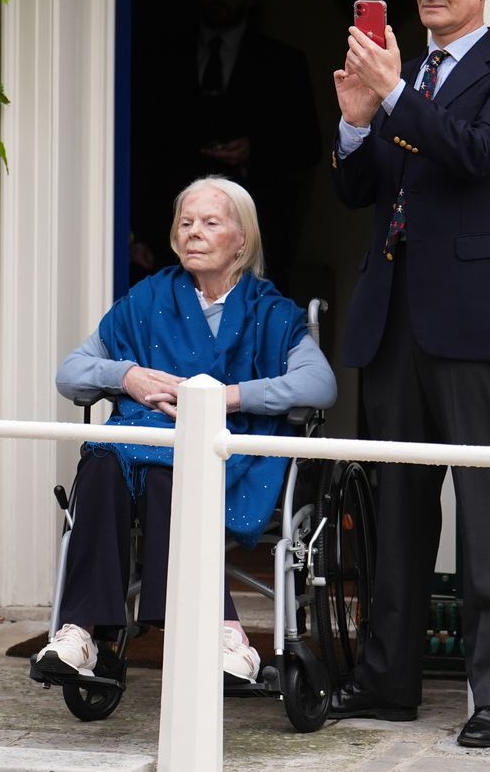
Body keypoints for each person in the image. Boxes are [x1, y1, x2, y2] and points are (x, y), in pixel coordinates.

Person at [325, 0, 490, 748]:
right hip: (392, 318)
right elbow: (364, 192)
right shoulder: (404, 74)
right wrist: (356, 123)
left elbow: (475, 154)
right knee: (397, 510)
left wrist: (392, 98)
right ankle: (387, 681)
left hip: (474, 319)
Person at [37, 176, 335, 687]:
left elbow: (319, 384)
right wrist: (125, 375)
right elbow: (71, 372)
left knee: (163, 472)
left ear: (243, 239)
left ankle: (220, 629)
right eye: (185, 222)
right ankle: (80, 633)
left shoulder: (270, 311)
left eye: (210, 223)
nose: (194, 232)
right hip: (139, 442)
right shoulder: (148, 297)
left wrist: (230, 396)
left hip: (230, 450)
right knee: (103, 460)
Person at [132, 0, 321, 290]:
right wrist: (140, 231)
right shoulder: (162, 58)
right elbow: (142, 146)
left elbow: (308, 149)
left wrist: (255, 151)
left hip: (256, 235)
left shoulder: (282, 63)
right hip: (170, 236)